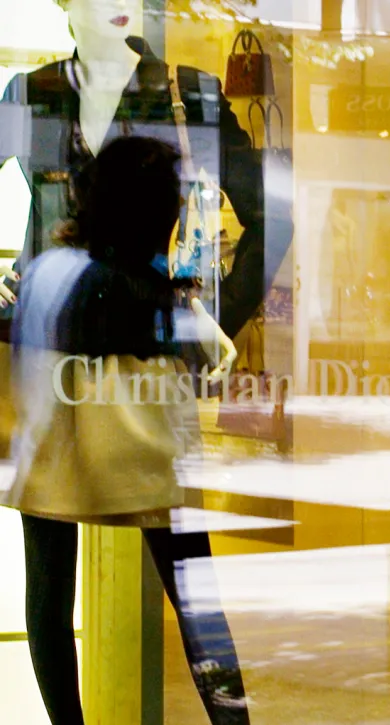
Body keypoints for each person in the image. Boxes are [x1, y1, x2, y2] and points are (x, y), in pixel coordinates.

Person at [4, 136, 249, 725]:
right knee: (188, 592)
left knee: (54, 585)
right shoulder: (142, 287)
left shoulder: (54, 271)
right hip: (122, 411)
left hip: (65, 403)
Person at [0, 0, 292, 340]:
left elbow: (273, 217)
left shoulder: (187, 95)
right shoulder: (32, 93)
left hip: (144, 339)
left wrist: (219, 316)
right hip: (40, 333)